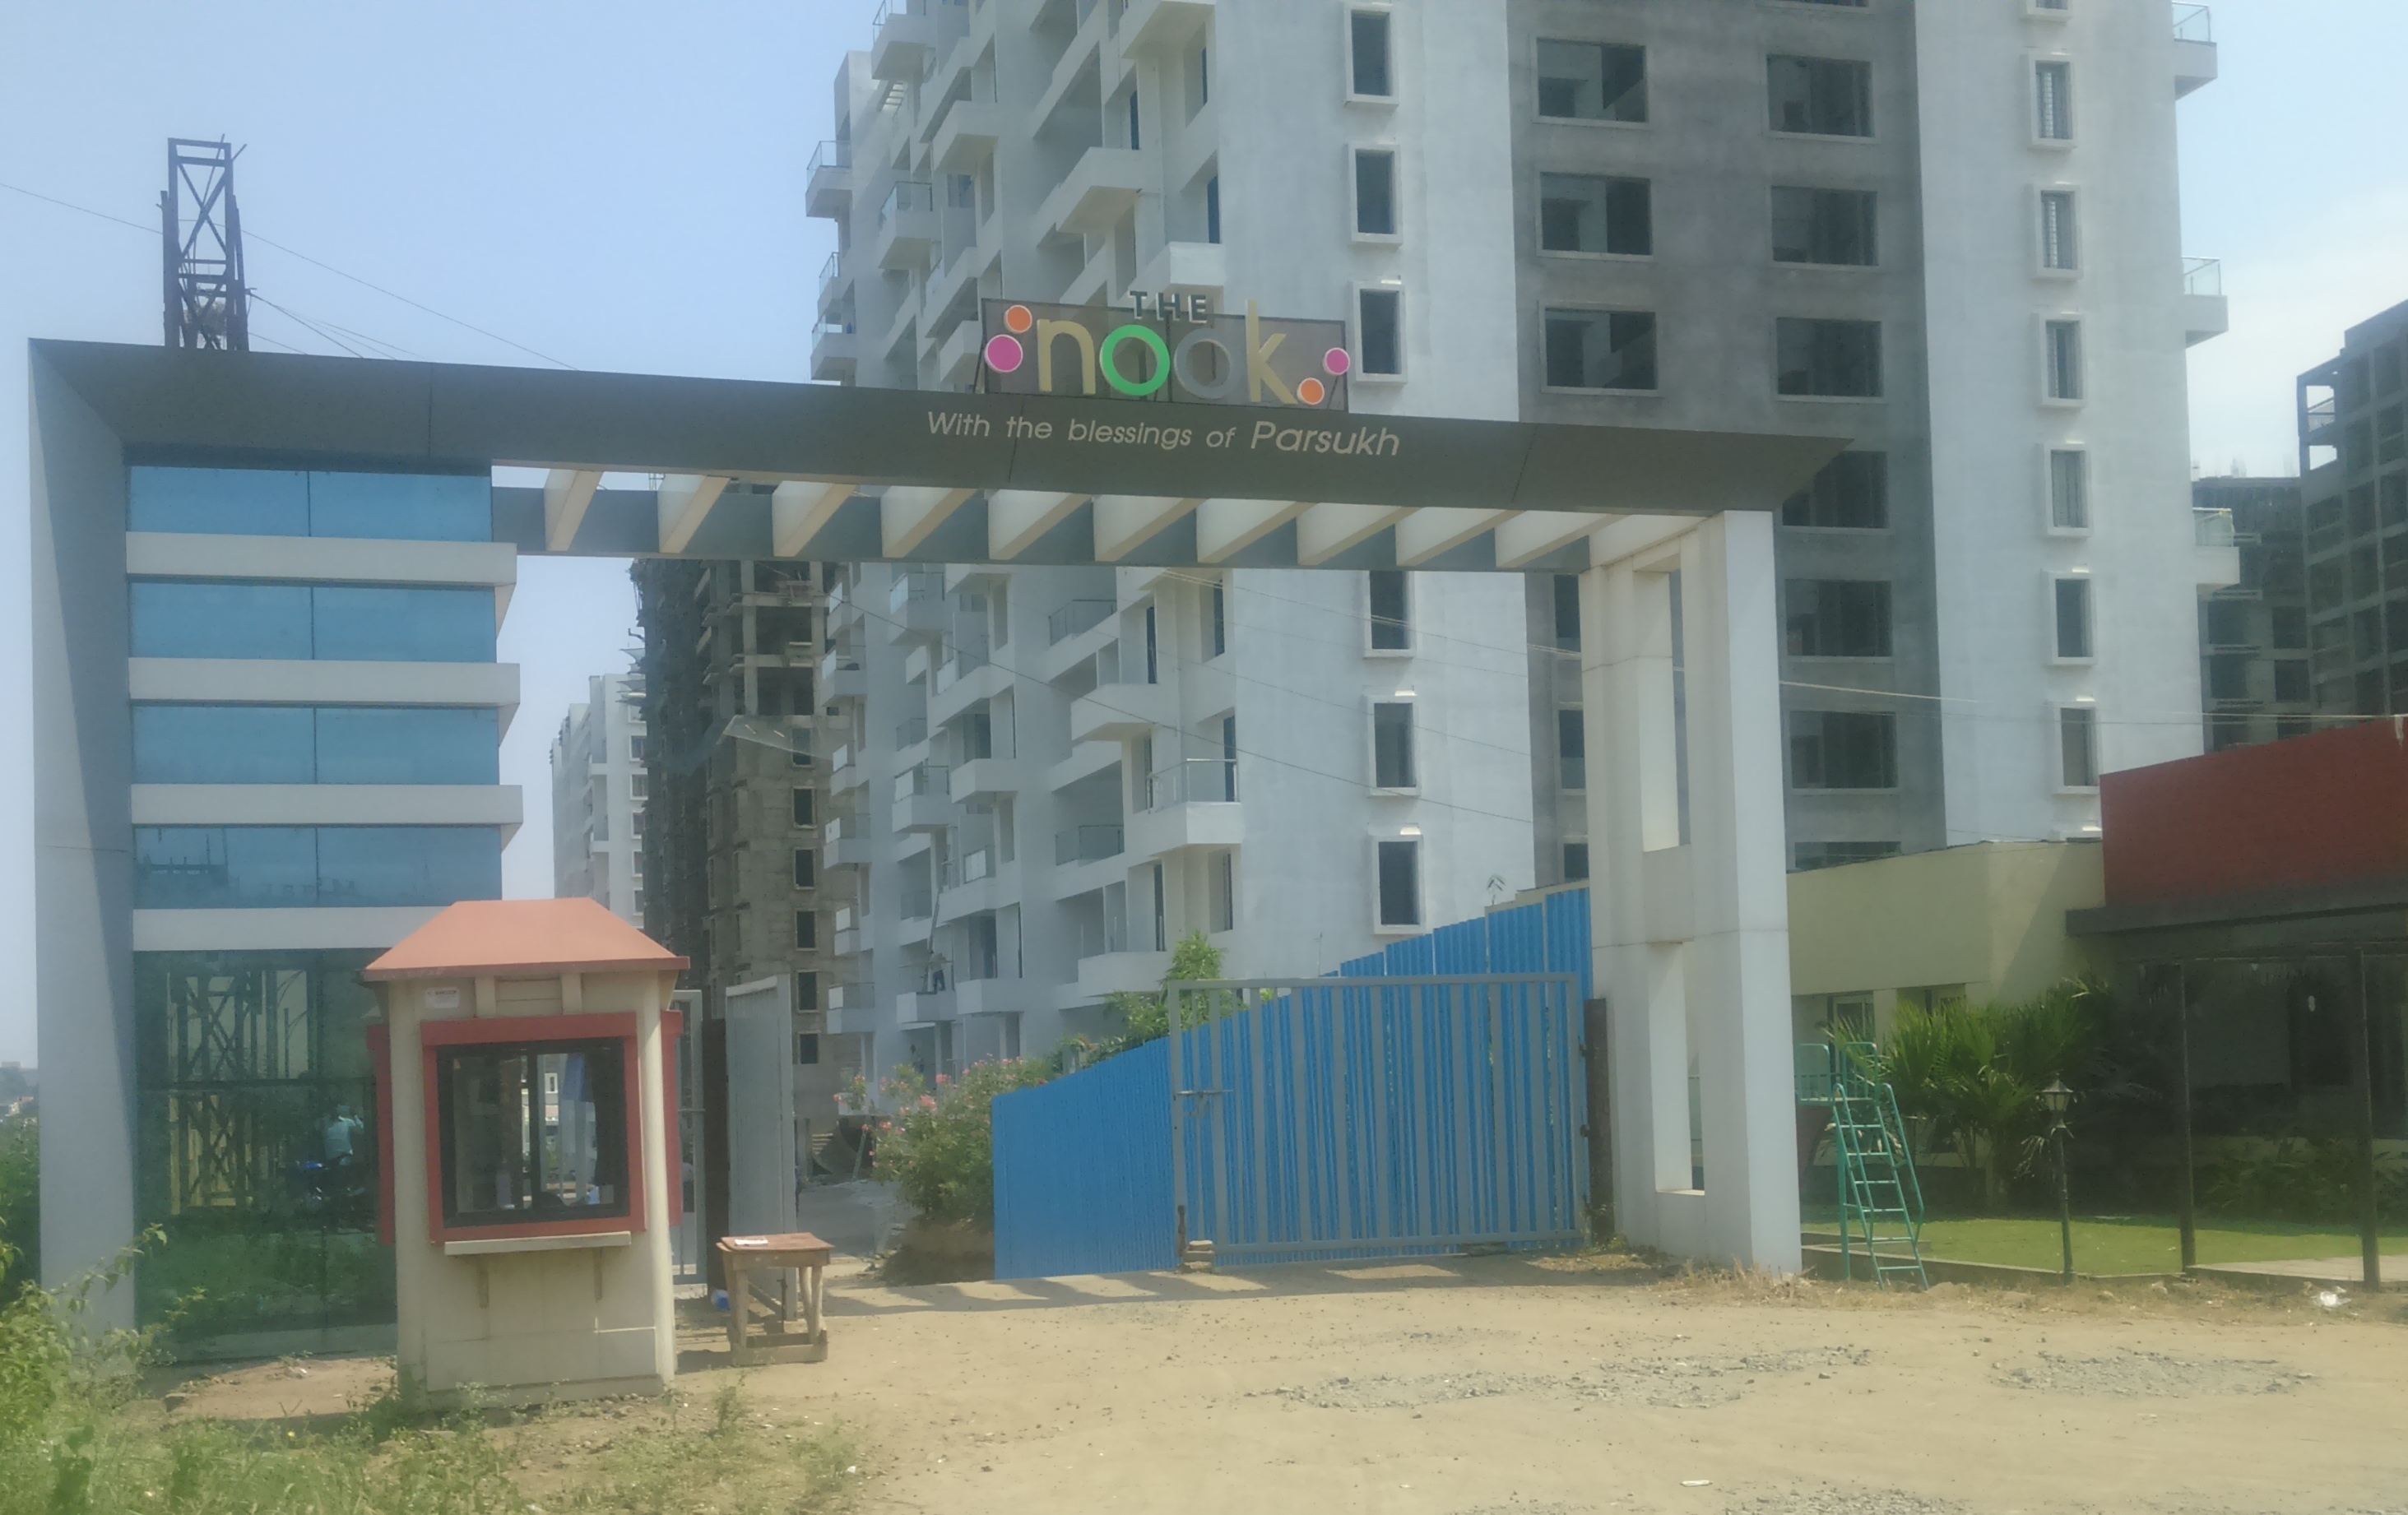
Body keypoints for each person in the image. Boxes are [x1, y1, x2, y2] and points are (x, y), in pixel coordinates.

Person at [323, 1103, 364, 1167]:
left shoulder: (347, 1122)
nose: (335, 1109)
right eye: (333, 1107)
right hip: (330, 1159)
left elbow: (362, 1129)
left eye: (337, 1107)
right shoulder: (325, 1123)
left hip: (345, 1156)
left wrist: (354, 1116)